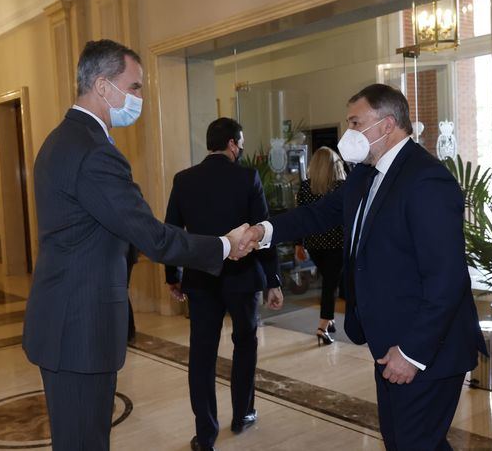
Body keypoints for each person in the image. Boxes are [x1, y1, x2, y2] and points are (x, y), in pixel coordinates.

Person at [22, 39, 254, 451]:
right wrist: (222, 246)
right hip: (80, 328)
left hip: (65, 319)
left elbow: (98, 230)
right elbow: (152, 235)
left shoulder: (61, 139)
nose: (140, 97)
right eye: (135, 87)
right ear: (102, 85)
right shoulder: (93, 151)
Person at [238, 84, 487, 450]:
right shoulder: (364, 175)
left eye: (356, 122)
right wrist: (262, 230)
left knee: (413, 442)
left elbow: (446, 279)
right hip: (389, 343)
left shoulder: (426, 179)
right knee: (406, 441)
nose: (348, 133)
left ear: (386, 125)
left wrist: (413, 353)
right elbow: (317, 214)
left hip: (426, 350)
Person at [165, 117, 284, 451]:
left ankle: (206, 435)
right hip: (243, 280)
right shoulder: (248, 177)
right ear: (233, 143)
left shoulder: (184, 180)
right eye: (241, 141)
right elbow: (264, 233)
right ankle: (242, 414)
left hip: (200, 281)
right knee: (245, 344)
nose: (242, 147)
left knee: (201, 356)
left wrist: (172, 276)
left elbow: (172, 233)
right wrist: (273, 280)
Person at [295, 146, 347, 346]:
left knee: (329, 280)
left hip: (315, 244)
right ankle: (323, 326)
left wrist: (299, 244)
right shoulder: (341, 186)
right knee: (330, 284)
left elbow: (300, 218)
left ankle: (330, 319)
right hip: (337, 243)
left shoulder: (306, 187)